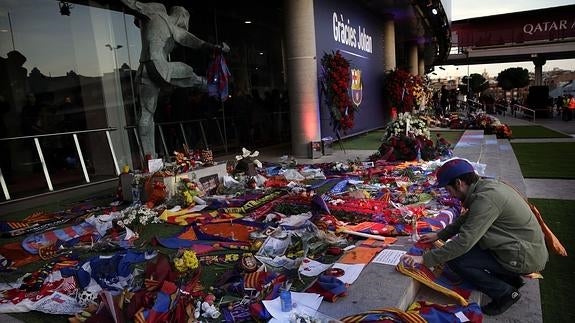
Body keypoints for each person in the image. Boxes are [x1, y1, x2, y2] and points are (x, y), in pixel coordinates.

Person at [400, 158, 548, 316]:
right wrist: (439, 235)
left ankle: (505, 294)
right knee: (466, 250)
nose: (449, 194)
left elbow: (464, 242)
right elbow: (467, 219)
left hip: (524, 256)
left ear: (459, 183)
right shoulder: (485, 188)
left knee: (458, 259)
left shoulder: (486, 199)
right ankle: (510, 279)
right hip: (522, 249)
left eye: (448, 189)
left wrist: (424, 259)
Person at [120, 0, 229, 157]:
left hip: (145, 68)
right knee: (188, 71)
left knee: (146, 113)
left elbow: (133, 5)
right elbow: (196, 42)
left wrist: (215, 48)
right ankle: (206, 85)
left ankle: (149, 159)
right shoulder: (167, 22)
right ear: (180, 17)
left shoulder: (153, 16)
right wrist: (217, 48)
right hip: (159, 67)